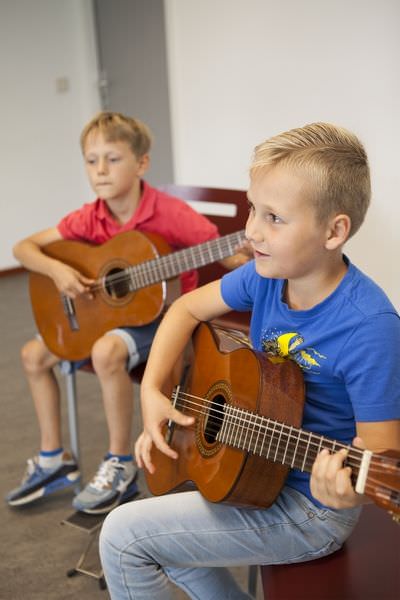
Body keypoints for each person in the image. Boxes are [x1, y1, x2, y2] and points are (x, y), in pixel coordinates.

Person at [99, 122, 400, 599]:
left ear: (334, 230)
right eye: (251, 208)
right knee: (160, 533)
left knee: (123, 537)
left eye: (275, 218)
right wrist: (152, 391)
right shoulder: (267, 275)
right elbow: (184, 308)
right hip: (253, 465)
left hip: (310, 507)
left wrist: (347, 490)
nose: (251, 231)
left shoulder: (370, 325)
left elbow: (383, 458)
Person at [6, 111, 250, 514]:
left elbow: (225, 256)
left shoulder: (170, 214)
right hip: (100, 316)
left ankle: (120, 462)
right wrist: (59, 270)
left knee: (106, 351)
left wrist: (250, 254)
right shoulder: (90, 216)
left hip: (160, 318)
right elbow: (23, 250)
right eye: (91, 160)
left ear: (141, 163)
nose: (100, 170)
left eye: (113, 159)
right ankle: (54, 459)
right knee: (33, 356)